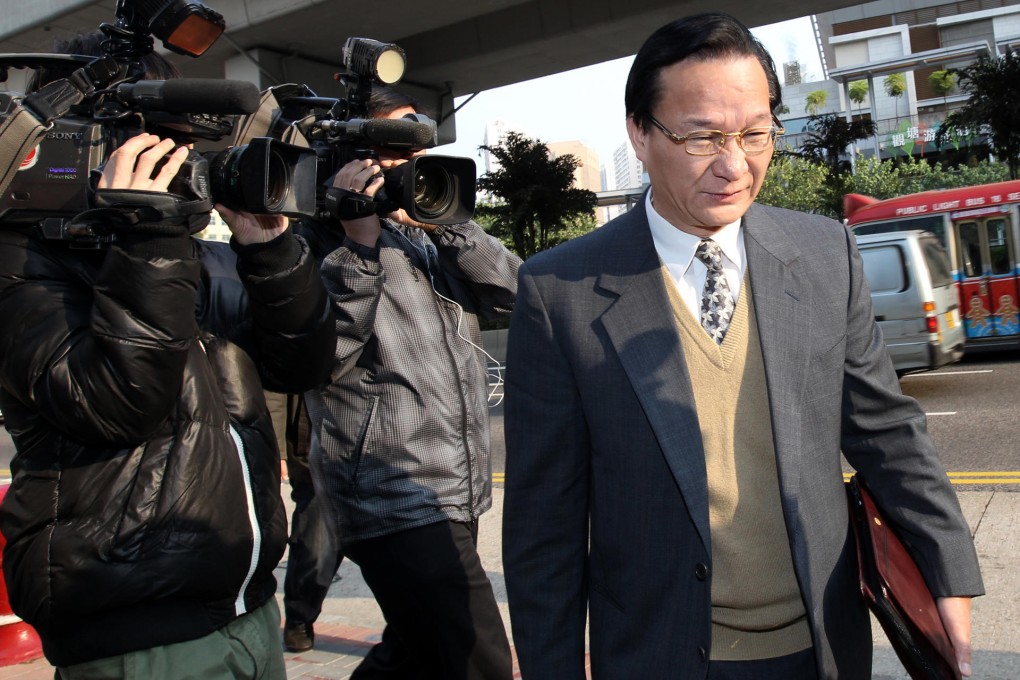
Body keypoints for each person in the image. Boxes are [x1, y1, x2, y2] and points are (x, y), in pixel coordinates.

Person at [501, 12, 984, 680]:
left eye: (756, 134)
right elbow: (543, 530)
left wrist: (947, 569)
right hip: (659, 654)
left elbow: (887, 433)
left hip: (818, 648)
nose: (735, 165)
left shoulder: (825, 254)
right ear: (640, 134)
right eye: (702, 138)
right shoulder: (560, 293)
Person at [0, 33, 335, 678]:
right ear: (84, 143)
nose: (176, 161)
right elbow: (118, 405)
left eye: (182, 142)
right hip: (138, 628)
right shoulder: (23, 266)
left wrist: (270, 251)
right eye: (152, 140)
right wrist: (148, 231)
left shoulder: (189, 256)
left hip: (246, 606)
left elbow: (303, 366)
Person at [297, 86, 519, 679]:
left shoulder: (425, 234)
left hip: (456, 488)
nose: (406, 168)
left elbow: (517, 291)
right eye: (391, 153)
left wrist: (448, 225)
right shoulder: (316, 239)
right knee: (479, 658)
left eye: (416, 151)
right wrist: (359, 245)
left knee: (413, 655)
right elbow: (322, 356)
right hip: (391, 495)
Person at [278, 391, 345, 652]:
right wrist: (277, 448)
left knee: (395, 547)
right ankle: (299, 618)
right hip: (316, 447)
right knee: (316, 549)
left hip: (379, 449)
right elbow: (274, 389)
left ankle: (402, 627)